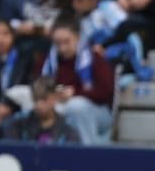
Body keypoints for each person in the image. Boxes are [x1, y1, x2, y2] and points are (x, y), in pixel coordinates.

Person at [35, 15, 116, 144]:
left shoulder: (93, 58)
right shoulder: (47, 62)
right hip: (58, 105)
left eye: (67, 42)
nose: (62, 48)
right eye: (57, 43)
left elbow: (105, 91)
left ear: (78, 38)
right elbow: (38, 86)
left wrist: (75, 93)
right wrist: (54, 96)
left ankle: (86, 154)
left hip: (96, 110)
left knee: (76, 106)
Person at [2, 74, 82, 142]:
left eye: (44, 99)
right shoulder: (18, 124)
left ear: (55, 98)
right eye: (36, 99)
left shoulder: (68, 130)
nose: (38, 105)